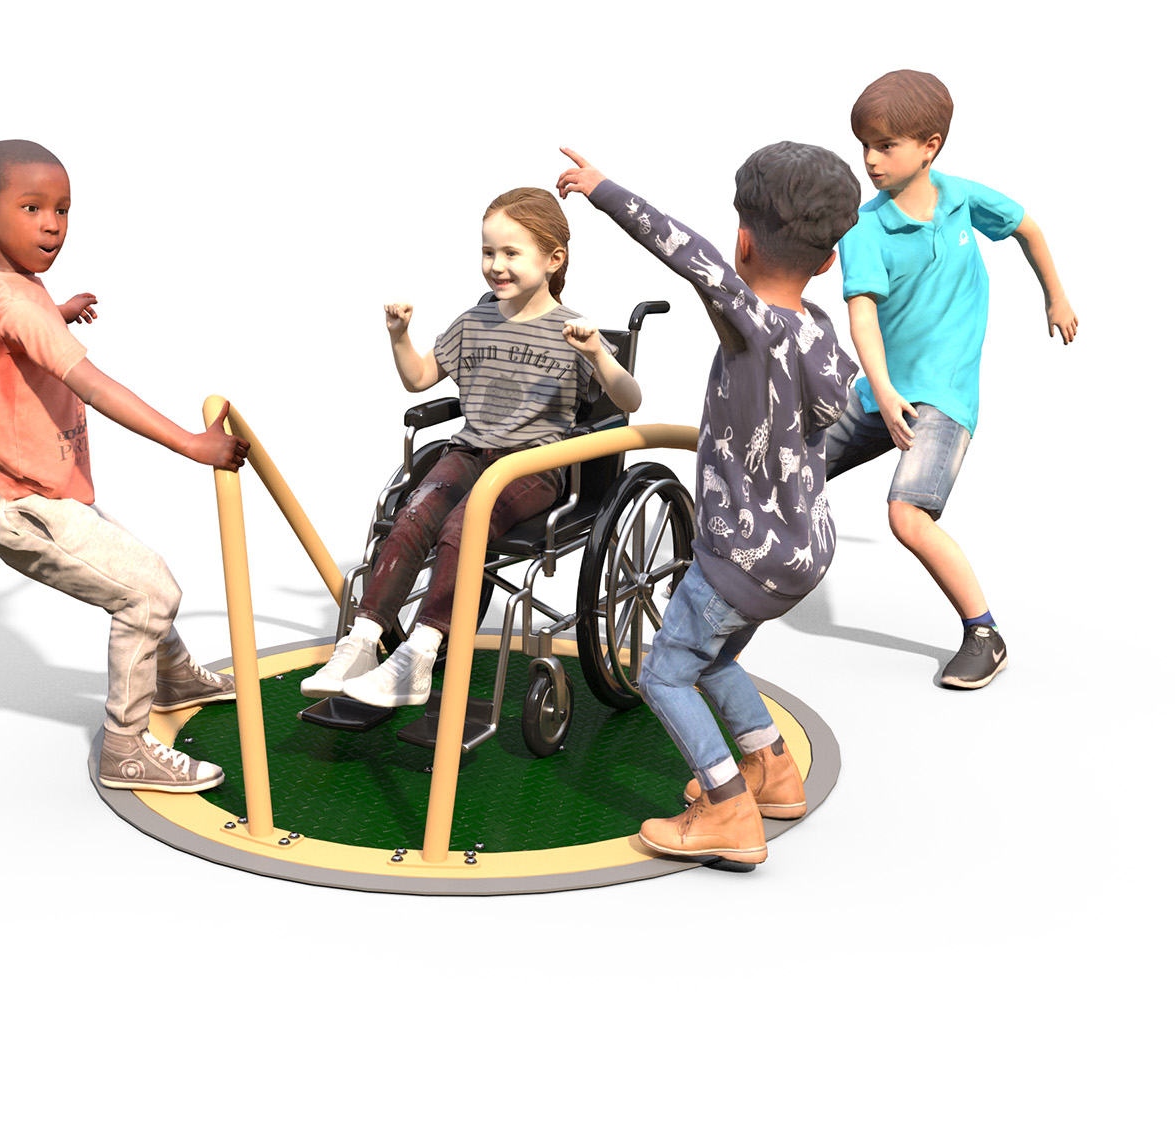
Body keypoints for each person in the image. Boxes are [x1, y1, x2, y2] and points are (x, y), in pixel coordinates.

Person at [558, 143, 860, 865]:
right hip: (804, 551)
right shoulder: (821, 331)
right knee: (715, 657)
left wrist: (602, 188)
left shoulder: (752, 324)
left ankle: (727, 810)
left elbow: (687, 254)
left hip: (742, 557)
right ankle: (771, 770)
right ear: (827, 261)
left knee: (664, 673)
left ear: (744, 241)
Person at [0, 139, 249, 793]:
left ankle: (172, 678)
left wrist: (56, 312)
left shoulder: (7, 290)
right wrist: (191, 444)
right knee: (150, 592)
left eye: (62, 210)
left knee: (139, 570)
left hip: (34, 489)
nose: (51, 226)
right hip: (25, 507)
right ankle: (125, 748)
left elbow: (12, 330)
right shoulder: (16, 306)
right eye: (31, 208)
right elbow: (93, 386)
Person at [301, 187, 642, 708]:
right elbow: (419, 379)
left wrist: (597, 352)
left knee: (465, 525)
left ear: (553, 260)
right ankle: (362, 641)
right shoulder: (473, 322)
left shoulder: (573, 331)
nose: (496, 265)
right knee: (414, 514)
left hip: (533, 467)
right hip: (469, 452)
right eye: (488, 252)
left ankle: (420, 655)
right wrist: (399, 335)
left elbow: (629, 400)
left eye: (511, 253)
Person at [830, 70, 1079, 689]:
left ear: (929, 146)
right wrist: (883, 391)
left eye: (885, 145)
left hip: (943, 398)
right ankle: (721, 577)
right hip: (881, 392)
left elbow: (1028, 227)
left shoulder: (962, 198)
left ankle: (984, 634)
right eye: (864, 145)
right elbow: (862, 314)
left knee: (907, 515)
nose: (870, 159)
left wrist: (1055, 296)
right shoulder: (864, 229)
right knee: (784, 468)